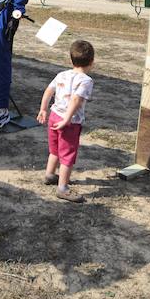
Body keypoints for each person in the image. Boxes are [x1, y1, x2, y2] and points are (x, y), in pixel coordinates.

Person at [37, 40, 95, 203]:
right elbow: (76, 100)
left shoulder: (61, 74)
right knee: (67, 155)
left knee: (54, 150)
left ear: (71, 60)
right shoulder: (86, 80)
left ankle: (49, 175)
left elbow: (49, 91)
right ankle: (62, 188)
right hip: (69, 122)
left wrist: (43, 109)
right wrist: (67, 119)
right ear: (92, 62)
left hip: (54, 116)